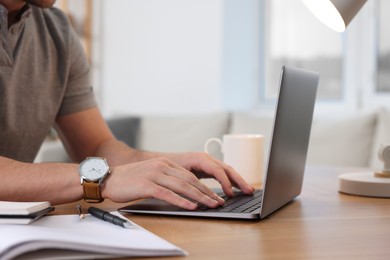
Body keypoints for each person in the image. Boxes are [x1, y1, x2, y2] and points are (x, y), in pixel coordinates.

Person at [0, 0, 253, 209]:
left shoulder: (57, 33)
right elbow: (104, 172)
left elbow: (97, 147)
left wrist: (169, 165)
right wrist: (105, 179)